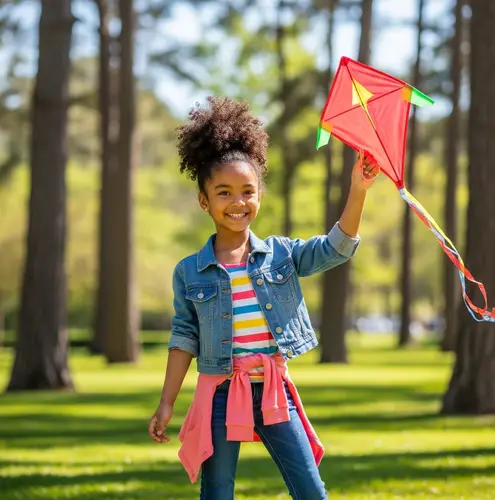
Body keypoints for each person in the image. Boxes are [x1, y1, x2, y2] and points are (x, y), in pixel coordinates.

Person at [148, 96, 379, 500]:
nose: (237, 202)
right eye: (223, 193)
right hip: (220, 393)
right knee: (217, 490)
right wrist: (166, 403)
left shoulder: (282, 255)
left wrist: (358, 188)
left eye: (246, 191)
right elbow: (183, 337)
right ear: (205, 200)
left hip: (274, 392)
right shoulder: (189, 271)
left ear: (259, 195)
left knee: (310, 488)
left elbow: (335, 248)